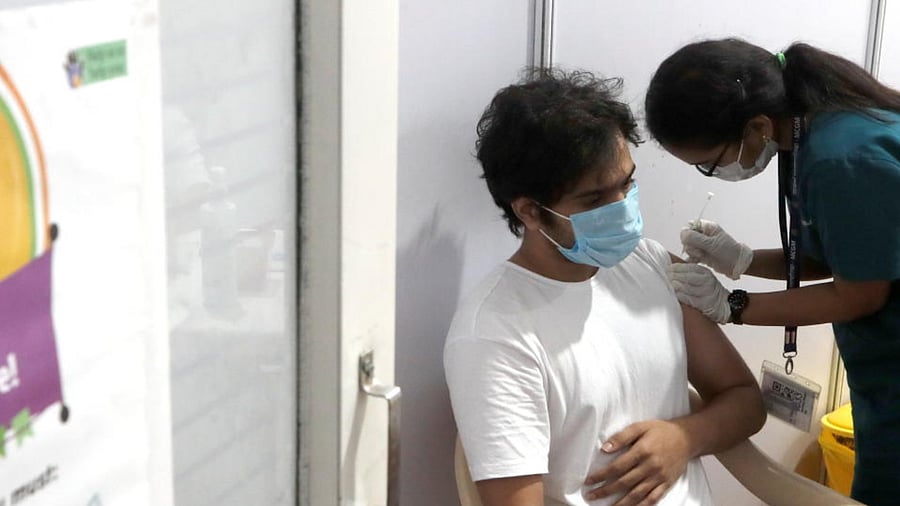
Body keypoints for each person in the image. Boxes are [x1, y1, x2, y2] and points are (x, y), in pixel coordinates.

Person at [444, 70, 766, 506]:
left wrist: (685, 437)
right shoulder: (494, 334)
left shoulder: (650, 263)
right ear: (530, 212)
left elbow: (745, 402)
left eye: (626, 184)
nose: (622, 209)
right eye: (594, 200)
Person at [644, 38, 900, 506]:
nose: (712, 173)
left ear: (758, 126)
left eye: (708, 164)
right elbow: (846, 253)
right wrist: (741, 259)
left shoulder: (841, 157)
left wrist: (732, 305)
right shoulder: (808, 133)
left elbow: (860, 293)